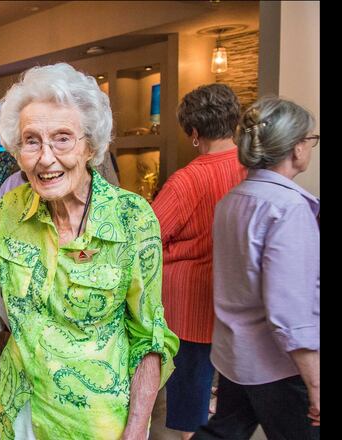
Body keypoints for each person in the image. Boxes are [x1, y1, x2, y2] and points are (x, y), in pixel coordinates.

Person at [0, 63, 179, 439]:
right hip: (19, 408)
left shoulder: (131, 218)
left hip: (96, 422)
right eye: (31, 141)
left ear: (90, 146)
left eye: (62, 138)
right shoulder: (10, 210)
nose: (46, 158)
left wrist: (136, 429)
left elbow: (149, 336)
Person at [194, 97, 319, 439]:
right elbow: (290, 311)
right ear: (296, 149)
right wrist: (315, 381)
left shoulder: (233, 200)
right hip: (279, 366)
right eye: (312, 140)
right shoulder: (289, 207)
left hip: (236, 355)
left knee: (222, 433)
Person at [151, 83, 246, 439]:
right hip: (234, 298)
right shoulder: (253, 170)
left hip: (189, 301)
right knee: (227, 394)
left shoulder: (186, 181)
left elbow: (148, 239)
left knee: (191, 392)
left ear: (193, 132)